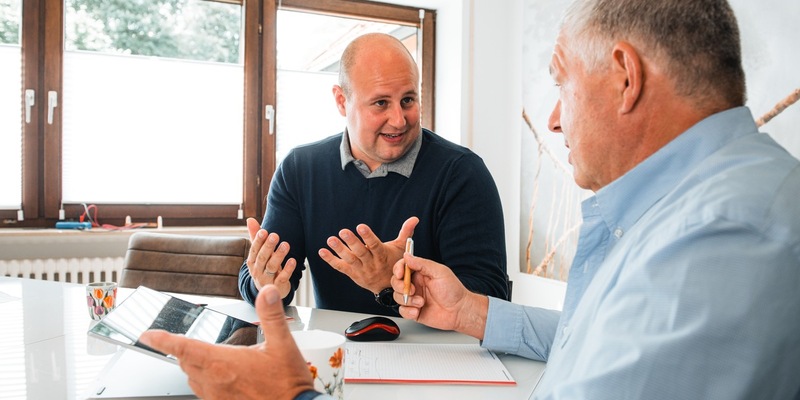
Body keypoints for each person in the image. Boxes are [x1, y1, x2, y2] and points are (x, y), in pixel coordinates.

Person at [140, 0, 800, 399]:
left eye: (561, 83)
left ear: (624, 78)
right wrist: (471, 311)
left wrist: (288, 394)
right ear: (343, 104)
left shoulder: (724, 237)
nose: (555, 121)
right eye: (379, 103)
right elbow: (595, 337)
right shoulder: (697, 210)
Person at [238, 32, 509, 316]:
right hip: (339, 352)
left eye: (408, 100)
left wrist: (394, 282)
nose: (399, 120)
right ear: (342, 101)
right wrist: (265, 285)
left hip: (439, 354)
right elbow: (261, 280)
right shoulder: (299, 169)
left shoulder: (462, 173)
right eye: (381, 103)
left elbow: (489, 298)